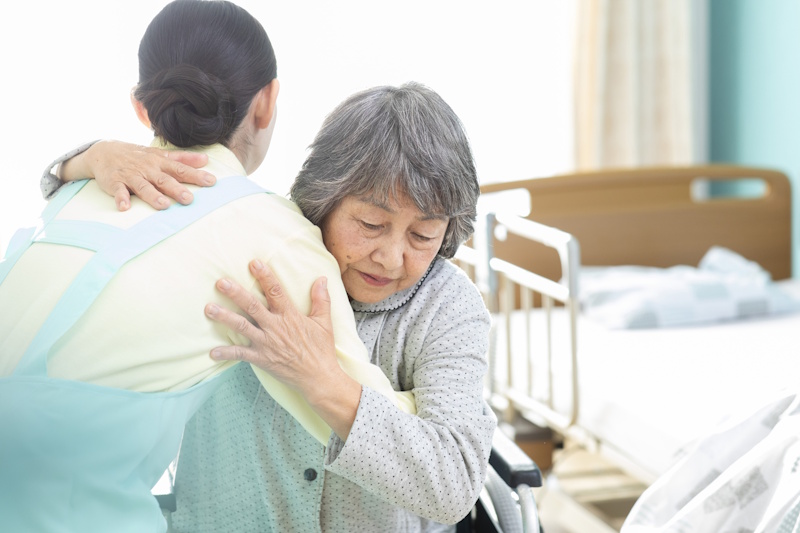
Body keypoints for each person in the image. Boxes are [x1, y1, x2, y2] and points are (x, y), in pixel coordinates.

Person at [0, 1, 416, 531]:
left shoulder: (85, 185)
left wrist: (86, 156)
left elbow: (54, 182)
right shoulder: (273, 235)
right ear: (266, 102)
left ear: (141, 108)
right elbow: (381, 441)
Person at [41, 82, 496, 531]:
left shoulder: (447, 306)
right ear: (326, 198)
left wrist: (322, 379)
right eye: (371, 224)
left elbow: (453, 484)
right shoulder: (246, 242)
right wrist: (90, 156)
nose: (392, 257)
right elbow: (89, 216)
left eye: (423, 236)